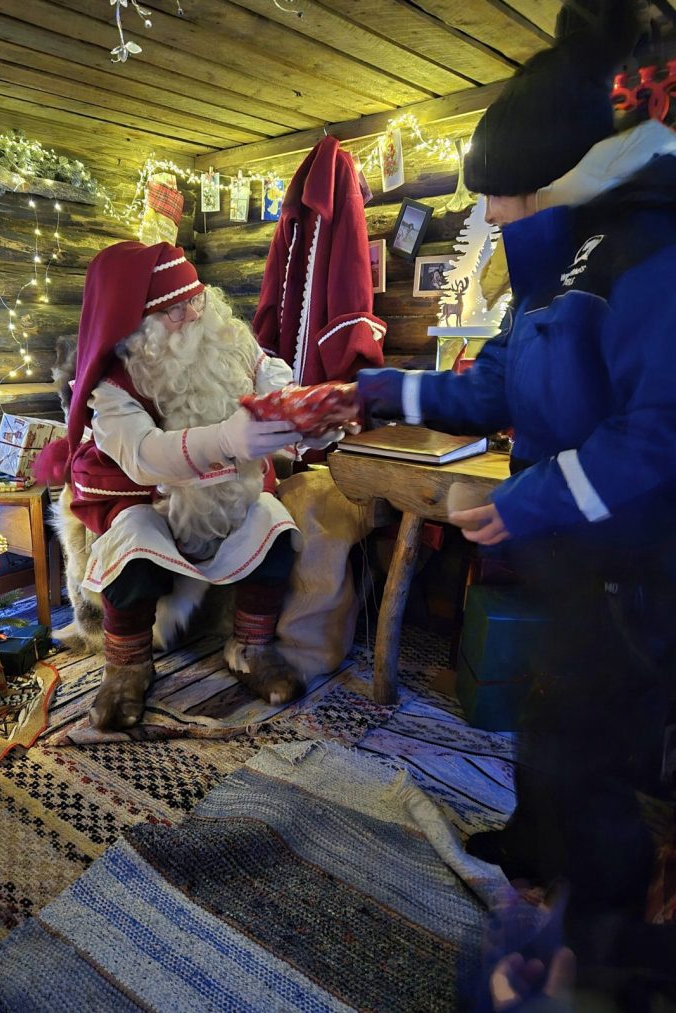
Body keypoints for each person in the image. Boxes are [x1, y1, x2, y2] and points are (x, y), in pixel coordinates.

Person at [356, 0, 676, 993]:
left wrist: (534, 500)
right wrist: (370, 387)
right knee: (545, 712)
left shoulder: (649, 267)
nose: (491, 214)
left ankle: (604, 947)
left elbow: (653, 434)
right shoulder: (541, 287)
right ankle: (536, 865)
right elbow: (487, 388)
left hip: (639, 566)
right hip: (570, 553)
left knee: (592, 753)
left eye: (512, 195)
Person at [35, 241, 342, 732]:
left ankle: (250, 648)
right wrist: (225, 438)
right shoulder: (114, 385)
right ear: (139, 325)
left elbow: (278, 393)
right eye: (175, 311)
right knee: (130, 549)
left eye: (196, 299)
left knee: (274, 528)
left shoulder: (234, 343)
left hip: (229, 496)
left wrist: (310, 419)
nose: (194, 315)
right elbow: (141, 455)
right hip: (148, 501)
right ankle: (128, 666)